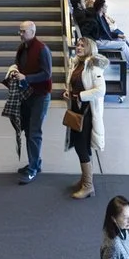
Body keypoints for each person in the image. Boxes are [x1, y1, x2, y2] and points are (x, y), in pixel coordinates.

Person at [12, 18, 53, 182]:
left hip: (40, 96)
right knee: (28, 130)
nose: (20, 34)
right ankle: (35, 162)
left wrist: (26, 78)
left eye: (23, 31)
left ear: (33, 32)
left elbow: (47, 74)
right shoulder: (22, 48)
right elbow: (19, 65)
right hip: (26, 94)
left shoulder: (42, 49)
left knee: (34, 132)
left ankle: (33, 169)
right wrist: (14, 71)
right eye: (20, 31)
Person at [63, 33, 103, 199]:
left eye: (82, 46)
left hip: (87, 113)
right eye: (78, 45)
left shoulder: (94, 67)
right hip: (77, 110)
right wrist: (69, 92)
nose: (78, 47)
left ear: (89, 49)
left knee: (81, 146)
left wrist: (80, 96)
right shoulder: (76, 63)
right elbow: (75, 84)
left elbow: (100, 90)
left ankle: (88, 185)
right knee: (81, 145)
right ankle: (86, 179)